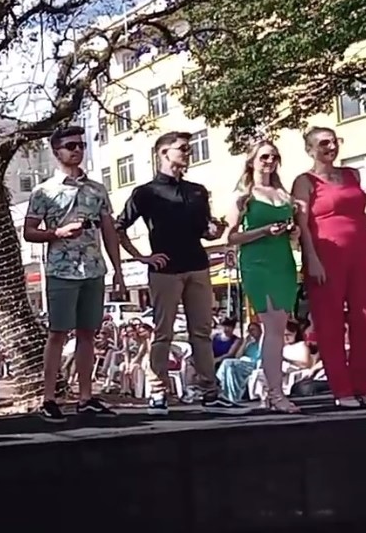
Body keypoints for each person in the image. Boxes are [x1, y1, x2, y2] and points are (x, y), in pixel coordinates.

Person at [115, 130, 247, 416]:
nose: (188, 153)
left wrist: (215, 229)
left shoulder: (197, 191)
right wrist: (141, 257)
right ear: (163, 153)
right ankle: (158, 393)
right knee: (162, 333)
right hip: (165, 270)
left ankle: (210, 392)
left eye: (189, 149)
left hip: (198, 265)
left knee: (201, 332)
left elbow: (206, 231)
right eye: (183, 148)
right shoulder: (146, 192)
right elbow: (119, 227)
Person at [23, 126, 124, 423]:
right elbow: (29, 231)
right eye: (70, 146)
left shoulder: (97, 189)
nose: (77, 150)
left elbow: (109, 231)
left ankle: (86, 397)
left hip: (93, 268)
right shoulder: (44, 191)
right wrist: (57, 232)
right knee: (57, 333)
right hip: (61, 270)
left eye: (81, 145)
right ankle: (49, 399)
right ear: (57, 152)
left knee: (88, 333)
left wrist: (118, 270)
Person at [223, 140, 301, 412]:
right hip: (257, 263)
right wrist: (264, 231)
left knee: (278, 327)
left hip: (283, 262)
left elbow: (294, 233)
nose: (270, 161)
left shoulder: (284, 195)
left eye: (274, 157)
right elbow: (230, 237)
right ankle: (276, 393)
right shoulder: (244, 196)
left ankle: (271, 391)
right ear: (251, 161)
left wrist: (292, 232)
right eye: (264, 157)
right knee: (273, 327)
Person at [292, 126, 366, 408]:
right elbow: (302, 224)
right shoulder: (305, 181)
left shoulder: (352, 175)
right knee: (330, 322)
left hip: (360, 252)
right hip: (326, 255)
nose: (331, 147)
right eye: (324, 143)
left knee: (362, 318)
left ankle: (362, 384)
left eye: (334, 141)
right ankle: (342, 390)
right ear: (310, 149)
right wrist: (311, 259)